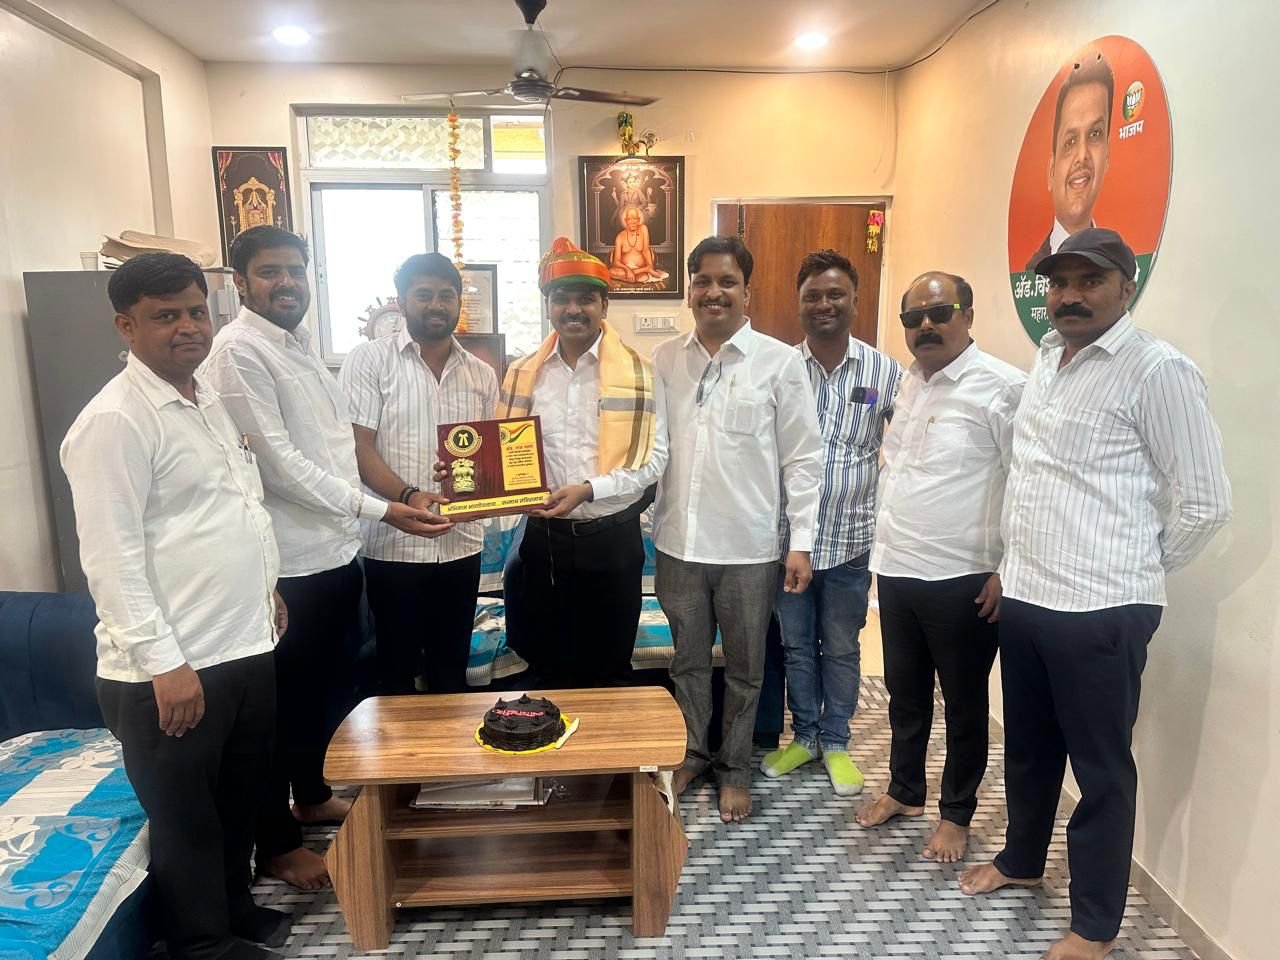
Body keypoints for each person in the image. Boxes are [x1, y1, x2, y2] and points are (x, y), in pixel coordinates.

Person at [959, 229, 1231, 960]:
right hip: (1028, 595)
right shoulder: (1049, 356)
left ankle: (1096, 924)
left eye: (1089, 281)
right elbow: (1035, 475)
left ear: (1126, 285)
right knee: (1029, 749)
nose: (1070, 296)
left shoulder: (1157, 370)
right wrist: (1012, 566)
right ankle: (1022, 860)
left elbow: (1207, 502)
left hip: (1100, 610)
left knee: (1101, 771)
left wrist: (1130, 572)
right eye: (1059, 283)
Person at [202, 226, 446, 890]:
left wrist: (370, 515)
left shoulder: (297, 345)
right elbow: (280, 467)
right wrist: (385, 508)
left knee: (317, 695)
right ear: (241, 282)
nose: (286, 282)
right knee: (275, 709)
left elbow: (334, 447)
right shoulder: (239, 353)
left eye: (295, 270)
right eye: (269, 272)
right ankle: (277, 845)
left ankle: (309, 797)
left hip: (335, 553)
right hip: (289, 565)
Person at [60, 253, 289, 959]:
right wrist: (166, 664)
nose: (189, 326)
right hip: (171, 666)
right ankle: (199, 943)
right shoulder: (114, 422)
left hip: (241, 644)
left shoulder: (204, 398)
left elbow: (231, 509)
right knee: (188, 819)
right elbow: (111, 559)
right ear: (126, 327)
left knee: (238, 799)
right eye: (166, 316)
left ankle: (234, 912)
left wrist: (266, 587)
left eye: (195, 311)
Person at [652, 235, 823, 823]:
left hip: (749, 548)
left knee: (747, 669)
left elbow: (803, 459)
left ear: (747, 292)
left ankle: (734, 770)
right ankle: (692, 754)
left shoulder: (778, 362)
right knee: (687, 662)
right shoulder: (665, 359)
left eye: (727, 281)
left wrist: (801, 542)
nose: (714, 292)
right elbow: (651, 448)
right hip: (677, 543)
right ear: (689, 290)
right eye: (702, 280)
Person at [855, 271, 1025, 863]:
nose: (925, 325)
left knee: (964, 704)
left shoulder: (1003, 388)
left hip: (964, 577)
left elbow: (1026, 485)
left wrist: (1008, 569)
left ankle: (956, 814)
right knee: (904, 694)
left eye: (939, 312)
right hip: (899, 567)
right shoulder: (908, 383)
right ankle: (905, 790)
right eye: (913, 318)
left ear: (968, 316)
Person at [759, 249, 901, 797]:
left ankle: (837, 741)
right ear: (798, 304)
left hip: (852, 539)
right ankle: (805, 736)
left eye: (835, 294)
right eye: (812, 295)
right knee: (796, 645)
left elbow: (908, 447)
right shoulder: (780, 368)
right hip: (787, 541)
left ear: (855, 300)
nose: (824, 304)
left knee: (841, 645)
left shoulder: (883, 372)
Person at [496, 237, 668, 687]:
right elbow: (501, 455)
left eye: (586, 299)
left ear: (604, 305)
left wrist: (590, 490)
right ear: (547, 306)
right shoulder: (522, 374)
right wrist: (470, 478)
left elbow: (655, 462)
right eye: (561, 298)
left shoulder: (643, 374)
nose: (573, 309)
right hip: (542, 543)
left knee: (608, 670)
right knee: (542, 667)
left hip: (611, 542)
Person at [338, 253, 498, 695]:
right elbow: (358, 447)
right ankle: (399, 744)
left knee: (451, 669)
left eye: (447, 296)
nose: (436, 305)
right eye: (424, 295)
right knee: (395, 672)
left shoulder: (481, 373)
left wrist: (485, 487)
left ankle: (451, 743)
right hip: (394, 544)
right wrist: (409, 495)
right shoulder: (369, 360)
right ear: (403, 300)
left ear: (459, 303)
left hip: (461, 542)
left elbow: (486, 459)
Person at [1024, 52, 1114, 270]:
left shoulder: (1117, 265)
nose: (1082, 156)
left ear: (1107, 156)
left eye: (1095, 134)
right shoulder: (1032, 270)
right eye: (1070, 141)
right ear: (1052, 170)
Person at [610, 205, 669, 285]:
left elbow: (646, 250)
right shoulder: (620, 237)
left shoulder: (643, 229)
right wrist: (628, 270)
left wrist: (650, 266)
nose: (632, 221)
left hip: (640, 266)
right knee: (611, 272)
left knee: (642, 277)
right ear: (625, 221)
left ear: (638, 220)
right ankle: (643, 271)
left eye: (635, 218)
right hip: (627, 270)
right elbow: (616, 262)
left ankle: (638, 274)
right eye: (629, 219)